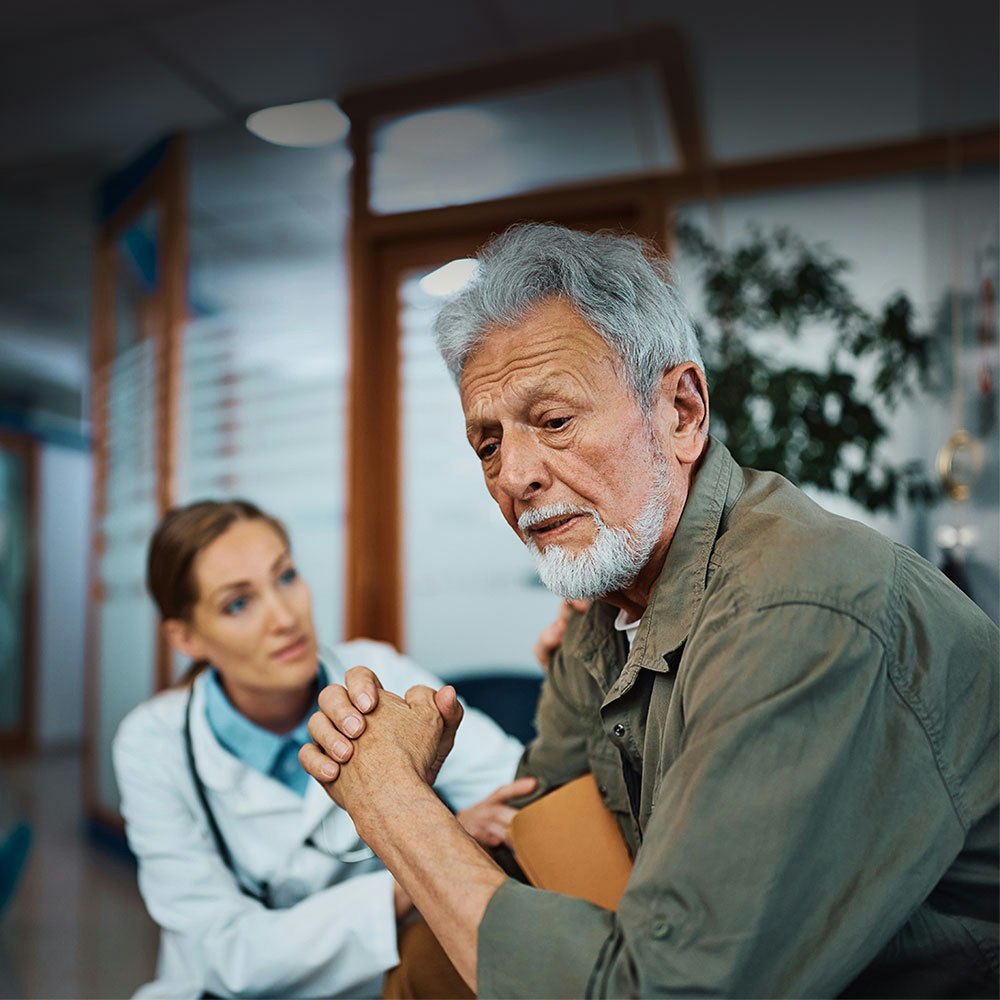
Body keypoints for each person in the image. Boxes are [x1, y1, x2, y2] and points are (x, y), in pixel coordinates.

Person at [300, 223, 1000, 999]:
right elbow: (549, 847)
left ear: (682, 412)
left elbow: (664, 991)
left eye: (555, 420)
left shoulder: (801, 609)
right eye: (489, 443)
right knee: (427, 968)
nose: (517, 475)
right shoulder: (604, 610)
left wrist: (389, 798)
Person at [112, 499, 533, 1000]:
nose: (284, 617)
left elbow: (516, 784)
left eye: (285, 576)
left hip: (372, 985)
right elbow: (227, 954)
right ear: (186, 638)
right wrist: (430, 850)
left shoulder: (377, 674)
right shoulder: (152, 745)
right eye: (238, 604)